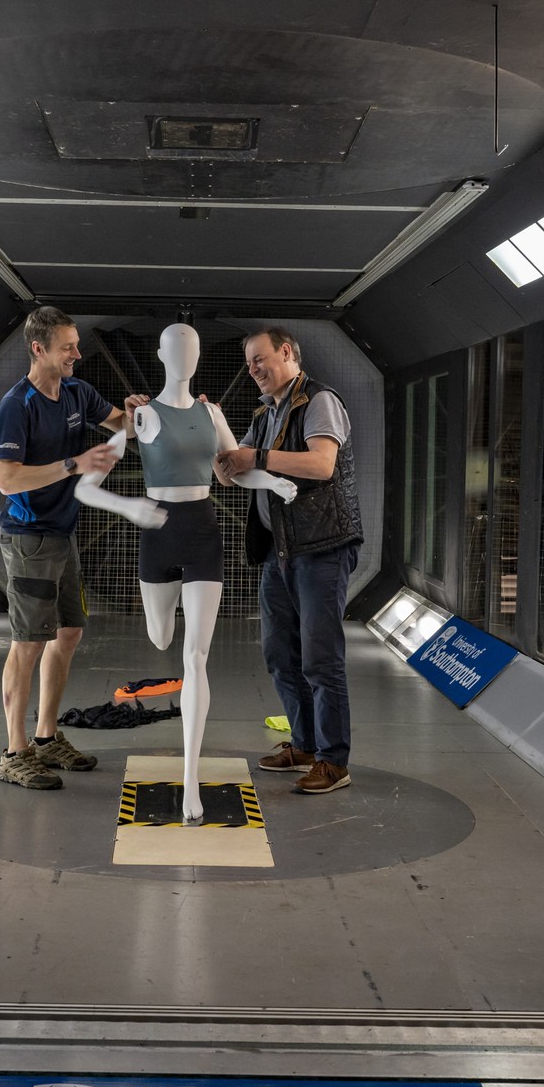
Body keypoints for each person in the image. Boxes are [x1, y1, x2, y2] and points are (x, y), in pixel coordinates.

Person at [79, 323, 295, 821]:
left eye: (193, 349)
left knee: (195, 657)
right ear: (159, 355)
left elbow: (235, 467)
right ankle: (162, 617)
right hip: (157, 533)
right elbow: (86, 488)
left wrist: (274, 482)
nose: (185, 357)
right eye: (176, 349)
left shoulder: (211, 412)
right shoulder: (141, 416)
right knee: (160, 638)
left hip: (203, 532)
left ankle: (191, 778)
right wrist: (132, 509)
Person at [0, 306, 150, 790]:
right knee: (29, 642)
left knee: (68, 634)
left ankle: (46, 737)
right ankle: (14, 752)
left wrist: (137, 413)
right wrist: (72, 464)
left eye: (77, 344)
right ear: (38, 349)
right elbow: (6, 479)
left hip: (63, 536)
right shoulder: (16, 406)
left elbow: (123, 425)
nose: (78, 354)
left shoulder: (78, 391)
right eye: (68, 348)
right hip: (29, 538)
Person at [215, 326, 363, 795]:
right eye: (249, 364)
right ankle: (302, 744)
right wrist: (220, 449)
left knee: (321, 658)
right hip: (280, 553)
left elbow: (321, 465)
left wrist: (254, 456)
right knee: (281, 654)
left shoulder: (319, 401)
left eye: (259, 359)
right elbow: (236, 470)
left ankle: (333, 761)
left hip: (321, 549)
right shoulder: (266, 413)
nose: (254, 370)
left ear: (286, 352)